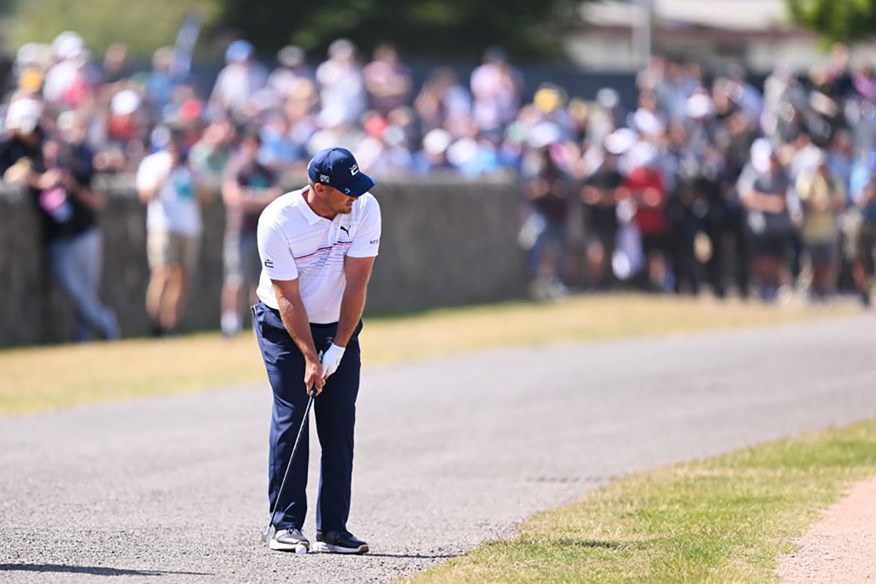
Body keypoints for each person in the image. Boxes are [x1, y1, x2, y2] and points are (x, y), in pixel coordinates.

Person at [252, 147, 381, 554]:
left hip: (338, 322)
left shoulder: (363, 208)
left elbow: (357, 283)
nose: (355, 198)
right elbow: (287, 297)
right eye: (347, 191)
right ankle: (284, 525)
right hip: (283, 323)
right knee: (294, 414)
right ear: (319, 188)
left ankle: (334, 529)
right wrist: (311, 358)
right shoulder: (278, 220)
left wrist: (339, 347)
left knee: (339, 421)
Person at [0, 99, 119, 342]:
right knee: (74, 288)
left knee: (87, 289)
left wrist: (70, 185)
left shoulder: (75, 167)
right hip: (57, 237)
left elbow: (97, 201)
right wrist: (40, 180)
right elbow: (12, 174)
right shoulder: (33, 163)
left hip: (84, 233)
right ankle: (105, 321)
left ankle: (85, 335)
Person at [136, 128, 208, 336]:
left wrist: (194, 176)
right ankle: (154, 324)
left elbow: (205, 198)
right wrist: (166, 173)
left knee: (182, 277)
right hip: (163, 226)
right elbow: (145, 195)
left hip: (190, 227)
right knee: (162, 274)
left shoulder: (191, 165)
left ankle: (171, 325)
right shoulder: (153, 163)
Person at [220, 131, 280, 337]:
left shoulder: (266, 170)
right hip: (240, 232)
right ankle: (230, 323)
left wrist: (249, 197)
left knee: (260, 282)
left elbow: (276, 196)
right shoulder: (236, 168)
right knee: (235, 279)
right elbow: (233, 197)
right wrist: (259, 198)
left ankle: (260, 323)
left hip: (262, 235)